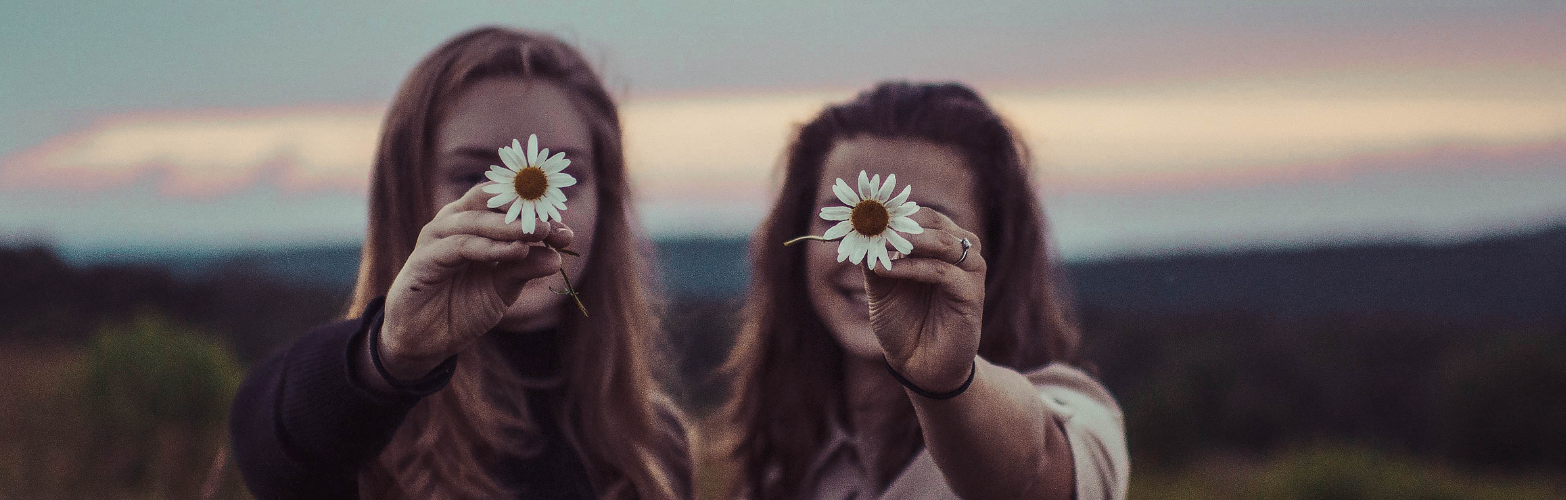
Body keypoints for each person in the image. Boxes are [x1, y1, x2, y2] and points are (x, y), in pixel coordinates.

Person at [229, 27, 688, 499]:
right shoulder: (365, 435)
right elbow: (271, 444)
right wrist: (390, 357)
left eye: (559, 179)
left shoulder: (653, 446)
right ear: (407, 198)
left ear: (606, 201)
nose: (522, 212)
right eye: (474, 176)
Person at [718, 81, 1129, 499]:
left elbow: (1032, 468)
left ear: (994, 250)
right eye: (846, 217)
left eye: (919, 224)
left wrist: (949, 384)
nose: (873, 260)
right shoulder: (779, 458)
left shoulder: (1080, 419)